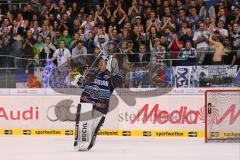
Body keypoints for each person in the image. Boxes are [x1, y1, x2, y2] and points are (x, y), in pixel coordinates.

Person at [74, 55, 122, 151]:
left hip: (101, 105)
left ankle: (90, 141)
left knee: (94, 128)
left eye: (103, 61)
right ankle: (77, 141)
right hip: (86, 101)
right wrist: (79, 82)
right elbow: (84, 85)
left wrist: (113, 71)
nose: (100, 62)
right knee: (81, 126)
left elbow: (120, 81)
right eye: (100, 60)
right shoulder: (91, 71)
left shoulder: (112, 77)